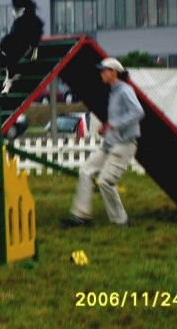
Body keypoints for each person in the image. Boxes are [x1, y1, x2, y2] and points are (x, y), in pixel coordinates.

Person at [61, 57, 145, 227]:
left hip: (124, 144)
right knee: (86, 171)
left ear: (113, 73)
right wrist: (106, 127)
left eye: (103, 70)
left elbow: (138, 111)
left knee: (106, 181)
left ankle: (121, 221)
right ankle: (81, 216)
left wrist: (114, 124)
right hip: (110, 143)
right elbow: (118, 118)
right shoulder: (114, 91)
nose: (101, 73)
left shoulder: (124, 90)